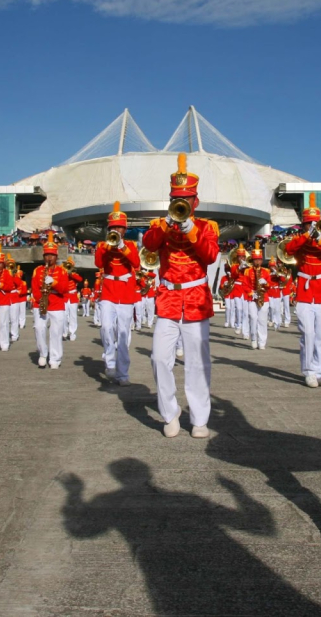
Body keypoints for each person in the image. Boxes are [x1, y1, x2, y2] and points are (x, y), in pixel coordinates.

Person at [142, 153, 220, 438]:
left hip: (197, 299)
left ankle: (199, 419)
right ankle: (170, 413)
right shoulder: (158, 225)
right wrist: (166, 223)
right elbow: (149, 246)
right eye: (177, 197)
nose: (182, 202)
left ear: (195, 201)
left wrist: (190, 231)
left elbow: (210, 256)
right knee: (159, 358)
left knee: (198, 362)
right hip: (169, 299)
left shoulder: (207, 227)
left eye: (187, 198)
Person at [283, 195, 321, 387]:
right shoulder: (300, 240)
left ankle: (320, 371)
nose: (312, 227)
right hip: (304, 291)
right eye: (308, 224)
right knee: (307, 333)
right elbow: (289, 250)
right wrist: (305, 237)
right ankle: (309, 370)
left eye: (315, 224)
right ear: (303, 225)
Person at [94, 202, 140, 384]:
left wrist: (121, 246)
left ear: (125, 229)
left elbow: (136, 262)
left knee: (123, 333)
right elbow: (99, 263)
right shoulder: (102, 245)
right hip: (108, 290)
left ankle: (123, 374)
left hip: (126, 292)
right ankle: (110, 362)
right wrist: (107, 246)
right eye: (114, 228)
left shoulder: (130, 245)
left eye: (120, 227)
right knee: (106, 327)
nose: (117, 230)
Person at [31, 232, 70, 368]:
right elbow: (35, 287)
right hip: (41, 302)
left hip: (57, 303)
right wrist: (40, 299)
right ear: (43, 256)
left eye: (52, 255)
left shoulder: (62, 271)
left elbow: (64, 288)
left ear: (56, 256)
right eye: (47, 255)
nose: (49, 258)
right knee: (39, 328)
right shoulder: (38, 270)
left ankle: (55, 358)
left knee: (56, 332)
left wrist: (53, 282)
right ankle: (42, 353)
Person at [242, 241, 273, 350]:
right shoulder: (247, 271)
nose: (257, 261)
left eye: (259, 259)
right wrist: (251, 293)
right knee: (253, 318)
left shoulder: (266, 271)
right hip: (252, 297)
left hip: (263, 297)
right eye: (256, 259)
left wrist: (266, 283)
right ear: (253, 260)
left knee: (262, 320)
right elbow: (244, 285)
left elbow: (269, 286)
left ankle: (262, 342)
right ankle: (254, 338)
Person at [63, 258, 83, 341]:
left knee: (73, 316)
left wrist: (71, 273)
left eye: (69, 266)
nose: (68, 267)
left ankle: (72, 333)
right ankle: (64, 332)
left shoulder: (74, 274)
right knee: (64, 315)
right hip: (65, 296)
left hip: (73, 297)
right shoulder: (63, 274)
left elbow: (80, 279)